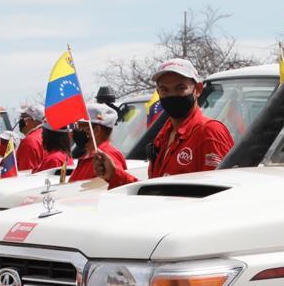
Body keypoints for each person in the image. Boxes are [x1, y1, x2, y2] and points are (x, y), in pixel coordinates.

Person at [98, 58, 234, 189]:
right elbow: (155, 192)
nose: (172, 95)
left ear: (197, 89)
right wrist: (114, 174)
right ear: (158, 93)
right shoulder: (163, 135)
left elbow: (220, 196)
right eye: (165, 90)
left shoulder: (209, 132)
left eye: (180, 88)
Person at [70, 104, 126, 183]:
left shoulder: (106, 158)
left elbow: (116, 187)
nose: (75, 131)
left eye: (80, 126)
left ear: (96, 130)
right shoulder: (90, 156)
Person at [14, 103, 47, 172]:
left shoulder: (29, 141)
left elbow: (26, 173)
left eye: (22, 118)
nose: (20, 121)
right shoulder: (48, 134)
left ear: (30, 120)